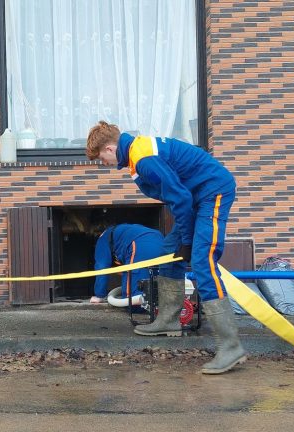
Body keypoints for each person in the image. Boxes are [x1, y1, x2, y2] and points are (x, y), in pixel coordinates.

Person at [85, 121, 247, 375]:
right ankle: (169, 319)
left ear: (109, 148)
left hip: (212, 191)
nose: (102, 164)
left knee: (203, 261)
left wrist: (185, 238)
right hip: (194, 198)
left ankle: (230, 346)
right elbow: (178, 196)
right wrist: (182, 237)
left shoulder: (144, 158)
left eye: (100, 158)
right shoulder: (134, 156)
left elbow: (180, 198)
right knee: (167, 255)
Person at [90, 223, 165, 307]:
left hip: (140, 243)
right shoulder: (123, 230)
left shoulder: (103, 239)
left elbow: (102, 267)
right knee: (155, 279)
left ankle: (143, 305)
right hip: (160, 240)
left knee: (131, 300)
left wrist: (99, 295)